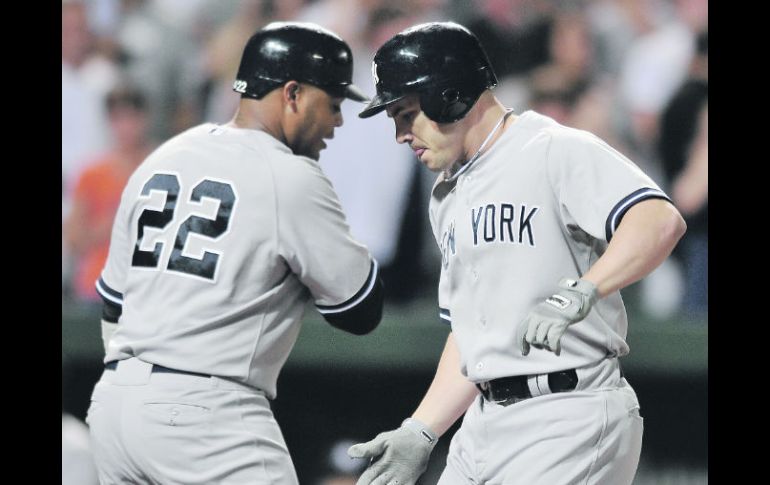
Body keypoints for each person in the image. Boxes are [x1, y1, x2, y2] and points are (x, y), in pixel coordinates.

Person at [349, 22, 686, 485]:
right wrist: (421, 431)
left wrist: (586, 289)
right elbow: (470, 336)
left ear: (449, 95)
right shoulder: (446, 196)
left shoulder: (552, 148)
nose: (401, 134)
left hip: (570, 411)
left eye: (406, 114)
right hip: (485, 423)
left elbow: (659, 220)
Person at [86, 22, 384, 485]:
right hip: (206, 415)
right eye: (333, 102)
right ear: (292, 94)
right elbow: (360, 309)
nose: (337, 121)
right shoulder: (291, 177)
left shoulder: (165, 155)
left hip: (113, 407)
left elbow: (114, 302)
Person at [63, 85, 152, 302]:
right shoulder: (92, 173)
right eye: (118, 119)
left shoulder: (162, 166)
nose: (126, 127)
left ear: (144, 119)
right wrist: (113, 222)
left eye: (132, 118)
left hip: (148, 283)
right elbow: (73, 239)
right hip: (99, 283)